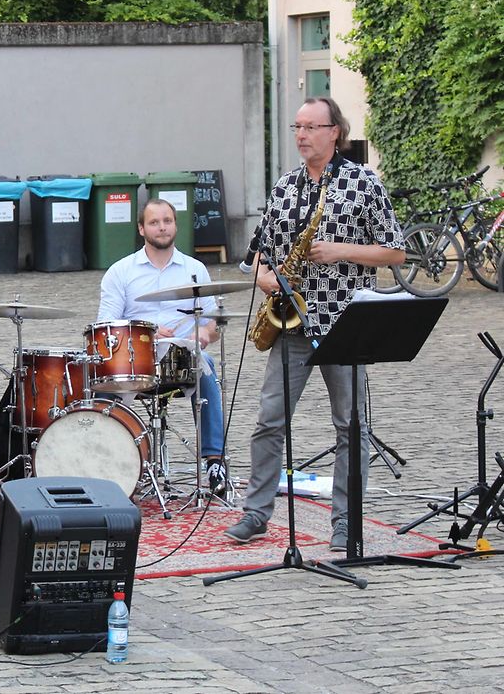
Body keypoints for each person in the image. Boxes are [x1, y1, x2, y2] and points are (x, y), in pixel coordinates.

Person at [225, 97, 404, 552]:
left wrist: (341, 250)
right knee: (269, 420)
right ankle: (256, 513)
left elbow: (395, 251)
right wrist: (265, 277)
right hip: (293, 321)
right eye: (297, 127)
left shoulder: (363, 182)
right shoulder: (285, 186)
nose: (302, 135)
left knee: (350, 426)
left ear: (334, 132)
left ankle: (345, 522)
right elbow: (256, 255)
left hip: (345, 322)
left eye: (310, 127)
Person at [97, 197, 228, 497]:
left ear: (175, 226)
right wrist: (146, 334)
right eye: (154, 222)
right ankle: (105, 463)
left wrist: (204, 332)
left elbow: (214, 324)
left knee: (207, 366)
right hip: (135, 359)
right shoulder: (121, 271)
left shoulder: (195, 270)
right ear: (141, 229)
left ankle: (214, 463)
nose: (162, 227)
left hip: (182, 359)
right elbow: (106, 326)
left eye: (167, 221)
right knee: (101, 377)